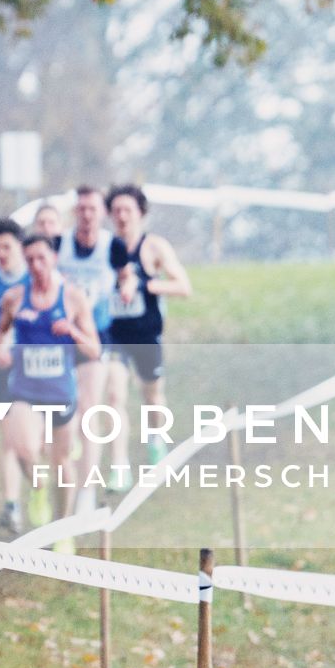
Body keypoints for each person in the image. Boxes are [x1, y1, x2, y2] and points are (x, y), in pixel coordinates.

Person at [0, 233, 102, 531]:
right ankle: (38, 489)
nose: (36, 265)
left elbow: (95, 349)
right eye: (30, 260)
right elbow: (0, 332)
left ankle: (62, 529)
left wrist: (73, 332)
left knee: (62, 463)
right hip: (24, 392)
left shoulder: (72, 296)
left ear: (54, 258)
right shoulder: (14, 297)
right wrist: (0, 350)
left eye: (42, 258)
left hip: (61, 393)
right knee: (24, 448)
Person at [106, 185, 192, 477]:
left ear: (140, 213)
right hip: (115, 336)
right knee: (114, 395)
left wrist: (148, 285)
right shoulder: (106, 248)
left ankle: (156, 441)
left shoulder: (154, 247)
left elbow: (183, 286)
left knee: (152, 397)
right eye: (116, 211)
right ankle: (120, 465)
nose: (122, 216)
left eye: (127, 210)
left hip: (146, 334)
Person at [53, 185, 116, 517]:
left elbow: (132, 270)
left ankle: (86, 492)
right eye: (82, 209)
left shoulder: (111, 246)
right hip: (60, 337)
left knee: (91, 409)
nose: (87, 215)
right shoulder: (59, 245)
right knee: (67, 413)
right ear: (74, 212)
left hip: (95, 336)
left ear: (102, 212)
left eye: (93, 209)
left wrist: (132, 280)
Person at [0, 218, 32, 533]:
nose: (1, 253)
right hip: (3, 368)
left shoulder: (35, 276)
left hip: (38, 370)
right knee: (10, 441)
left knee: (29, 445)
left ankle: (43, 489)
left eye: (7, 246)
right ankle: (12, 505)